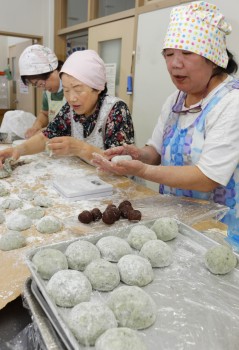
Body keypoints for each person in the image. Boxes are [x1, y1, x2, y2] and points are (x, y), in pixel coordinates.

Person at [92, 1, 239, 240]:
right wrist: (137, 154)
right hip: (176, 221)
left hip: (220, 230)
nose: (174, 63)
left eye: (187, 53)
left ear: (213, 58)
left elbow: (207, 179)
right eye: (168, 54)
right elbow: (156, 151)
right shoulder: (175, 100)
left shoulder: (231, 102)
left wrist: (143, 170)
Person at [0, 49, 134, 164]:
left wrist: (80, 149)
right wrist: (18, 150)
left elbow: (121, 163)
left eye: (78, 89)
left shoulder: (116, 110)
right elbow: (46, 136)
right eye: (66, 90)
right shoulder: (70, 110)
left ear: (98, 87)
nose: (71, 98)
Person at [19, 44, 65, 138]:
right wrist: (36, 127)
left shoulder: (71, 88)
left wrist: (46, 131)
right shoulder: (47, 92)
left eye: (41, 84)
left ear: (51, 71)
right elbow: (44, 113)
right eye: (37, 86)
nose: (43, 89)